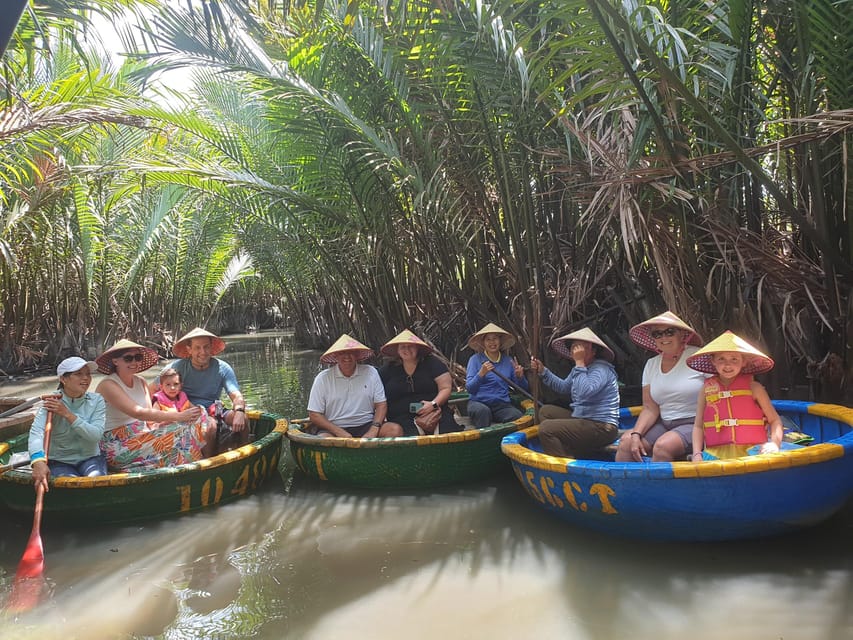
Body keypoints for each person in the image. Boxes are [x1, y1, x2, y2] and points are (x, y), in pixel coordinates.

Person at [95, 339, 206, 471]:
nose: (134, 362)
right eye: (128, 358)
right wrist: (179, 416)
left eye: (138, 357)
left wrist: (167, 424)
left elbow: (149, 420)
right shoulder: (108, 384)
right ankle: (193, 470)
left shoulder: (141, 382)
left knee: (199, 415)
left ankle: (190, 466)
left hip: (143, 434)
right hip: (117, 443)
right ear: (115, 361)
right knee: (180, 436)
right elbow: (138, 413)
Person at [615, 311, 708, 462]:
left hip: (697, 423)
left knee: (663, 446)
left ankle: (659, 487)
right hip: (665, 423)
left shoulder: (699, 357)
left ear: (682, 334)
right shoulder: (651, 364)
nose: (664, 337)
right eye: (657, 334)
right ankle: (628, 486)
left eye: (669, 332)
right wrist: (636, 434)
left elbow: (719, 392)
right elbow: (650, 407)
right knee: (626, 443)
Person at [687, 331, 783, 460]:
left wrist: (774, 444)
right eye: (721, 359)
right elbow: (698, 425)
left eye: (734, 359)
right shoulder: (706, 389)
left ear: (743, 362)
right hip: (715, 453)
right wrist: (697, 453)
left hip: (752, 451)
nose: (728, 365)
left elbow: (775, 420)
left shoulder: (755, 388)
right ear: (713, 361)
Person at [529, 327, 620, 458]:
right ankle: (571, 450)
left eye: (582, 348)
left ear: (593, 351)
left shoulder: (601, 369)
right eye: (575, 347)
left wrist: (579, 362)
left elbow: (584, 392)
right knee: (545, 411)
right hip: (583, 420)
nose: (577, 351)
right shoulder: (579, 369)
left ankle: (565, 462)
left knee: (546, 429)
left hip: (601, 427)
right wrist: (543, 371)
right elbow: (563, 387)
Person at [28, 357, 107, 492]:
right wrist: (38, 461)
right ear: (63, 379)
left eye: (88, 374)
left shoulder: (97, 400)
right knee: (71, 486)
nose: (86, 378)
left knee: (96, 483)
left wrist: (67, 414)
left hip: (90, 458)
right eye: (78, 374)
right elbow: (37, 433)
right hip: (59, 461)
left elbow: (96, 435)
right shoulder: (51, 402)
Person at [165, 327, 248, 454]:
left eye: (206, 347)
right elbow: (154, 390)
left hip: (214, 409)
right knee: (210, 426)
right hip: (190, 411)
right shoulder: (178, 366)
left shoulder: (223, 368)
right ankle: (208, 462)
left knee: (244, 419)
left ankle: (246, 451)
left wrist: (240, 411)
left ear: (211, 347)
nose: (202, 352)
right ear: (189, 350)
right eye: (197, 348)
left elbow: (236, 395)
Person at [307, 334, 402, 438]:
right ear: (336, 356)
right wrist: (339, 432)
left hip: (366, 424)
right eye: (342, 353)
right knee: (324, 439)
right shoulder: (323, 378)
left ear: (357, 355)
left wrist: (374, 429)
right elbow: (314, 414)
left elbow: (381, 405)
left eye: (351, 353)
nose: (347, 357)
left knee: (394, 430)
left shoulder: (370, 372)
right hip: (333, 427)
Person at [378, 329, 460, 436]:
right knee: (407, 436)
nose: (407, 349)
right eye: (403, 347)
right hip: (400, 416)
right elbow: (375, 392)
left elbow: (445, 388)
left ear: (418, 348)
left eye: (410, 346)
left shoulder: (432, 363)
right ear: (398, 350)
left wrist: (433, 404)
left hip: (435, 411)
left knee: (448, 432)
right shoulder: (388, 369)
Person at [465, 323, 528, 428]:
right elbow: (470, 388)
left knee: (517, 416)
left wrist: (520, 377)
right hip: (478, 403)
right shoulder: (475, 360)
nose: (492, 342)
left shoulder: (508, 361)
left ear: (500, 341)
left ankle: (507, 443)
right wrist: (481, 374)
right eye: (488, 339)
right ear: (483, 343)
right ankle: (484, 443)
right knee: (483, 412)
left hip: (501, 405)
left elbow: (523, 389)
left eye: (495, 339)